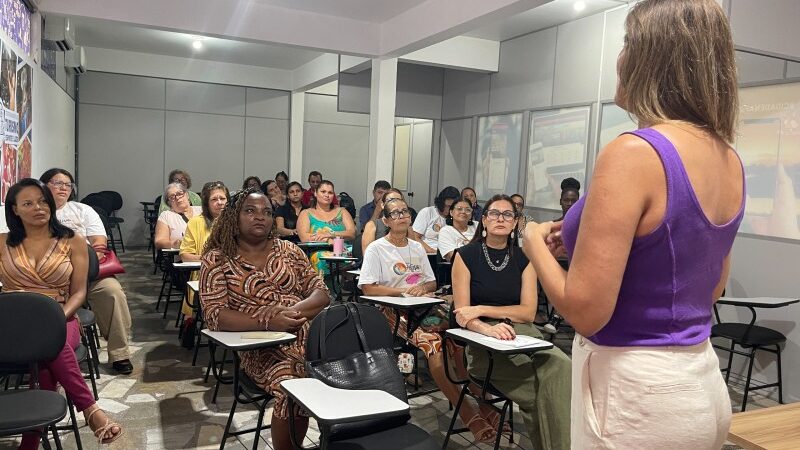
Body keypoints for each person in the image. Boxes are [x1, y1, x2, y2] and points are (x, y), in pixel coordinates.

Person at [524, 1, 742, 447]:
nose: (620, 59)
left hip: (636, 395)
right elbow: (708, 283)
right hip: (700, 384)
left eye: (627, 44)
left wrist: (534, 245)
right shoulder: (728, 157)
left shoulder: (635, 153)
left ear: (651, 57)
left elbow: (585, 312)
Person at [359, 198, 503, 444]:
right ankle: (469, 414)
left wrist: (422, 288)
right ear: (385, 220)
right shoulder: (377, 248)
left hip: (423, 306)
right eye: (395, 213)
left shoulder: (416, 247)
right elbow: (368, 288)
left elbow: (432, 282)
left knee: (458, 340)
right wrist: (403, 292)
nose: (402, 216)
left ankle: (484, 402)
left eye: (405, 211)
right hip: (393, 311)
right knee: (435, 346)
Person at [200, 188, 329, 450]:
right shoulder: (217, 258)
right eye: (250, 210)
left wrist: (288, 313)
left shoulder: (289, 251)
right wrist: (268, 322)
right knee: (295, 386)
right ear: (233, 217)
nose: (260, 217)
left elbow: (321, 293)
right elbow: (215, 315)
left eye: (267, 212)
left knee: (352, 372)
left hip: (312, 339)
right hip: (261, 349)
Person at [0, 179, 123, 447]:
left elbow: (79, 293)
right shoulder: (2, 243)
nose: (39, 207)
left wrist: (56, 319)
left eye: (43, 201)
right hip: (12, 322)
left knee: (51, 347)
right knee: (48, 359)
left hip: (61, 315)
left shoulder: (72, 241)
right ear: (14, 209)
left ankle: (31, 443)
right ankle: (91, 411)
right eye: (28, 203)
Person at [452, 195, 571, 450]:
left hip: (524, 335)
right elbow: (463, 314)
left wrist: (482, 309)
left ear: (515, 222)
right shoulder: (465, 256)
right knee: (546, 395)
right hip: (484, 343)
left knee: (564, 365)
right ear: (483, 220)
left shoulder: (524, 258)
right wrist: (487, 327)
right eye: (494, 213)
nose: (500, 219)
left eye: (508, 215)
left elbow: (527, 313)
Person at [40, 168, 134, 375]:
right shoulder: (38, 212)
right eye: (58, 183)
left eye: (68, 184)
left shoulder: (83, 210)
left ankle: (120, 353)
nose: (64, 188)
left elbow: (99, 246)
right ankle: (51, 353)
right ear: (44, 185)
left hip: (88, 274)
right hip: (48, 279)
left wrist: (77, 266)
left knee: (113, 292)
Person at [179, 181, 229, 321]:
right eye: (214, 199)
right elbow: (185, 256)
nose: (219, 202)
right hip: (204, 276)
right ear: (206, 203)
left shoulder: (237, 222)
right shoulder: (196, 222)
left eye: (222, 198)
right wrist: (210, 260)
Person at [296, 180, 356, 275]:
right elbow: (304, 237)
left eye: (330, 192)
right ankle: (321, 288)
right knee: (320, 258)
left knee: (346, 260)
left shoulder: (342, 211)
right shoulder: (306, 213)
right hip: (317, 252)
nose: (327, 195)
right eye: (323, 192)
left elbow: (352, 233)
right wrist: (328, 241)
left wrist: (330, 235)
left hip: (341, 251)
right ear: (315, 193)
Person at [411, 186, 460, 254]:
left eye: (453, 207)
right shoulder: (427, 212)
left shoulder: (456, 217)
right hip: (428, 253)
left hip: (449, 254)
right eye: (447, 206)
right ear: (441, 203)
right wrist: (432, 252)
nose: (449, 209)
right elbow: (414, 237)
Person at [154, 182, 202, 249]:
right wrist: (174, 244)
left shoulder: (202, 210)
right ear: (168, 202)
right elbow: (159, 242)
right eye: (172, 197)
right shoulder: (166, 215)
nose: (177, 198)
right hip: (182, 256)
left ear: (187, 195)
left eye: (180, 194)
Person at [361, 188, 405, 255]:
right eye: (391, 201)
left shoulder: (407, 226)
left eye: (398, 200)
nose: (395, 204)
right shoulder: (372, 226)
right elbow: (368, 256)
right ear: (382, 204)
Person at [438, 196, 477, 262]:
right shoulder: (446, 231)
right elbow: (452, 256)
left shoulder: (477, 226)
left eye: (468, 210)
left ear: (471, 214)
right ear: (451, 212)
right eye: (459, 209)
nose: (463, 212)